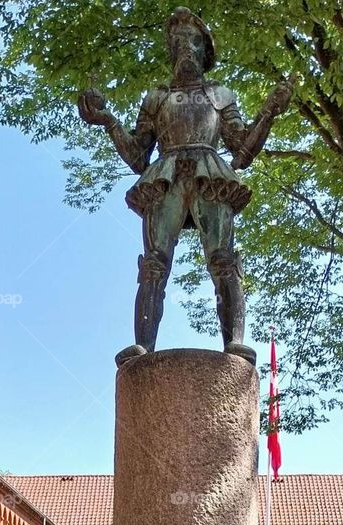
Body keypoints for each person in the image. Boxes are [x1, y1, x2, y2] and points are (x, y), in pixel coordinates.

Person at [78, 8, 292, 366]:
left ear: (205, 50)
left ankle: (234, 342)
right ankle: (143, 345)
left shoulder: (220, 94)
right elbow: (136, 156)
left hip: (211, 174)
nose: (186, 49)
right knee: (153, 264)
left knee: (223, 259)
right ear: (171, 49)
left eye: (193, 41)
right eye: (178, 42)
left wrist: (268, 113)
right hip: (166, 177)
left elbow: (242, 151)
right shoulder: (157, 97)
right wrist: (107, 120)